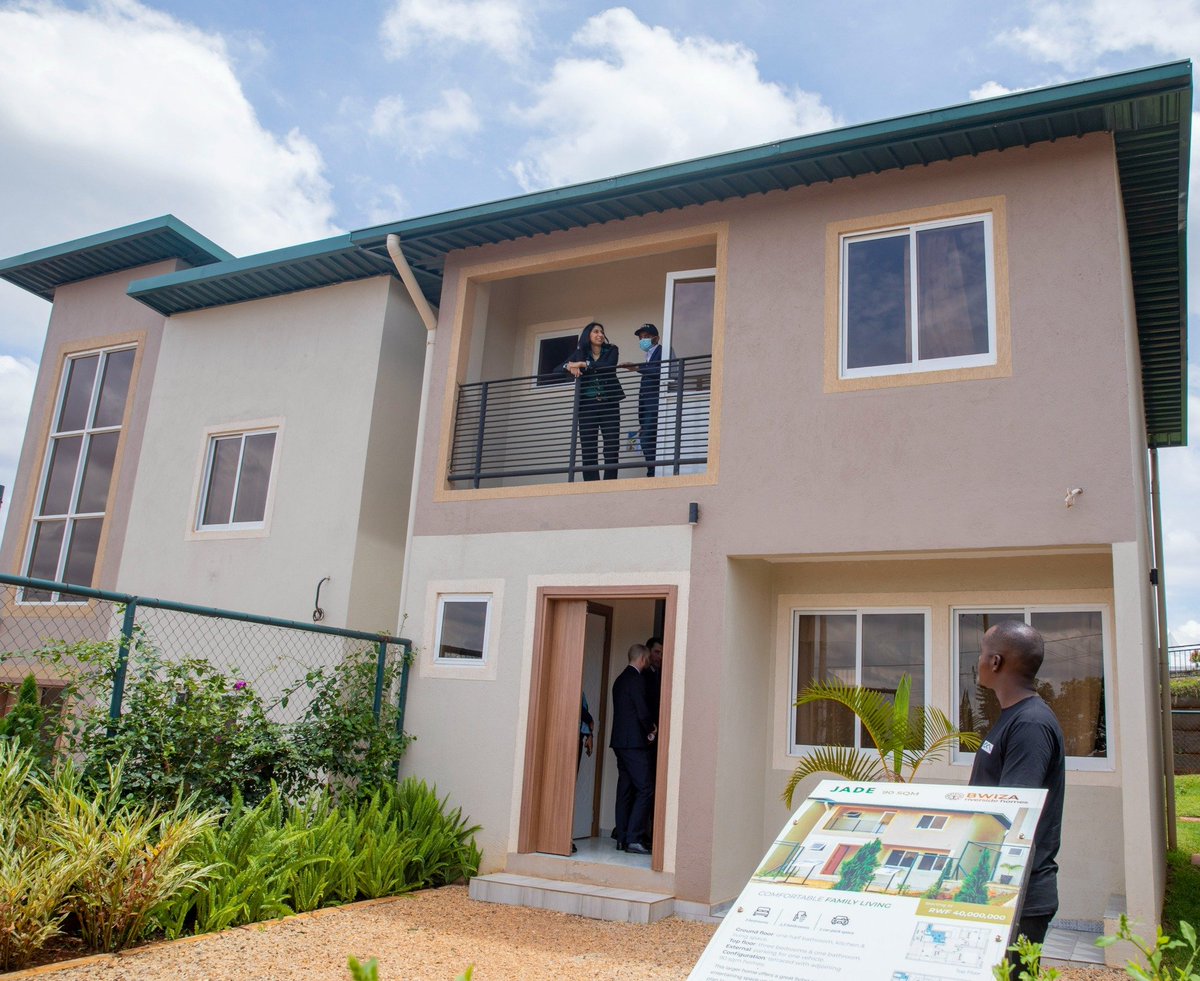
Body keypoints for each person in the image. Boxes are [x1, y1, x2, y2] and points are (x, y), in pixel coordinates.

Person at [969, 620, 1065, 954]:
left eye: (981, 652)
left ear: (995, 662)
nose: (977, 661)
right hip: (996, 888)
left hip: (1018, 897)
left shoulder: (1030, 724)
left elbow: (1010, 813)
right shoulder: (1014, 717)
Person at [610, 643, 657, 855]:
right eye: (647, 660)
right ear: (642, 659)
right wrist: (651, 729)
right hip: (634, 744)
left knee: (625, 790)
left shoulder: (619, 680)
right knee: (646, 788)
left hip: (619, 742)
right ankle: (635, 838)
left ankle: (621, 837)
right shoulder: (637, 680)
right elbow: (641, 710)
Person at [563, 322, 624, 480]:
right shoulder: (580, 352)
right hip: (587, 406)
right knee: (588, 447)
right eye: (596, 331)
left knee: (611, 446)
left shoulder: (612, 350)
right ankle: (591, 483)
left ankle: (610, 482)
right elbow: (557, 369)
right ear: (588, 335)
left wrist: (584, 364)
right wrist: (569, 367)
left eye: (602, 332)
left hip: (609, 404)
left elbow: (609, 366)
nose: (600, 334)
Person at [621, 324, 662, 476]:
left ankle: (653, 473)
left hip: (655, 406)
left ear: (656, 338)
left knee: (647, 441)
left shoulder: (662, 351)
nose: (642, 340)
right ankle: (653, 472)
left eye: (646, 337)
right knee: (646, 440)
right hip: (646, 409)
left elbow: (664, 371)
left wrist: (638, 367)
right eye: (640, 338)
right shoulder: (649, 355)